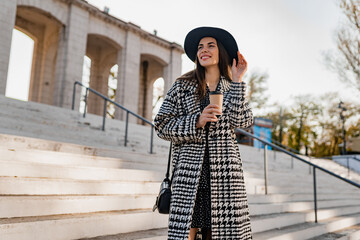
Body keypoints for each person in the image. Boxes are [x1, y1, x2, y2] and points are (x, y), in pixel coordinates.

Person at [154, 26, 253, 240]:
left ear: (221, 52)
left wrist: (237, 81)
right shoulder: (182, 86)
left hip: (224, 176)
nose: (203, 50)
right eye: (200, 47)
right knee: (186, 235)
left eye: (210, 45)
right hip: (190, 175)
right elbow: (161, 124)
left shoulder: (231, 86)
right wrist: (196, 121)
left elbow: (242, 121)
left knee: (218, 235)